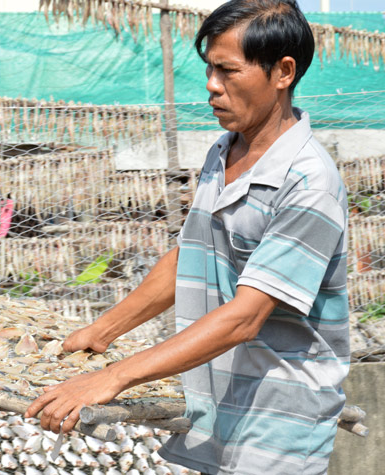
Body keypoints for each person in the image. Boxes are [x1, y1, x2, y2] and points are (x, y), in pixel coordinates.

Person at [25, 1, 350, 473]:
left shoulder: (309, 183)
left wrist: (113, 377)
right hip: (216, 401)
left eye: (228, 70)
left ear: (283, 72)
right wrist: (101, 332)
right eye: (209, 68)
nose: (212, 85)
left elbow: (244, 318)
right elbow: (191, 257)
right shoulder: (225, 150)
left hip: (277, 421)